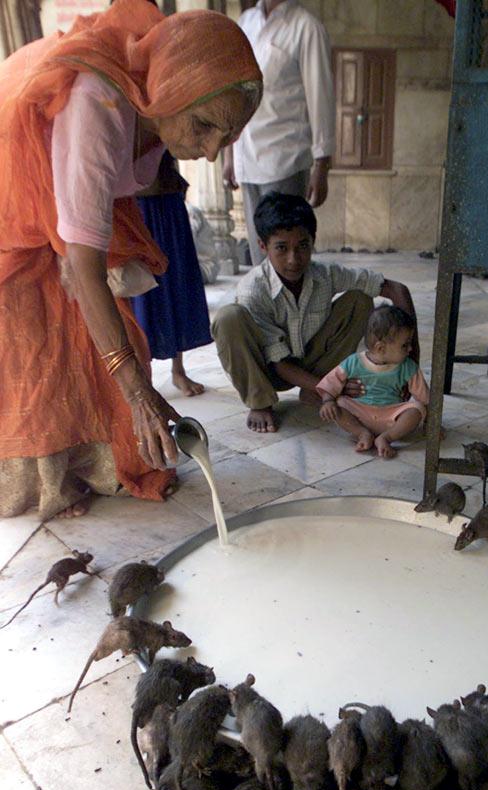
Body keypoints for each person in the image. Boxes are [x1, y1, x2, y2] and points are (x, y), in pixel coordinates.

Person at [0, 0, 262, 519]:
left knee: (89, 334)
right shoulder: (97, 109)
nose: (212, 152)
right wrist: (139, 394)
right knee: (32, 335)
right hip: (13, 195)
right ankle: (44, 482)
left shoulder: (149, 110)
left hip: (51, 206)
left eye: (227, 137)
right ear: (169, 91)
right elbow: (82, 268)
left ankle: (92, 465)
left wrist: (141, 389)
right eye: (205, 125)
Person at [210, 192, 418, 434]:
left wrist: (410, 361)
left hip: (312, 364)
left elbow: (397, 289)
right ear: (262, 246)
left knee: (359, 300)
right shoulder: (253, 290)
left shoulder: (324, 275)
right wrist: (331, 388)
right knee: (228, 318)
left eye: (302, 246)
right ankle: (260, 402)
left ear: (313, 240)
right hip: (268, 370)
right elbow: (279, 364)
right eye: (281, 248)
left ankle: (313, 390)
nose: (293, 259)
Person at [222, 0, 335, 265]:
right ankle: (264, 308)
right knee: (260, 255)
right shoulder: (246, 22)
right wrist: (228, 152)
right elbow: (232, 91)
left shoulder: (306, 27)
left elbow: (321, 98)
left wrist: (323, 163)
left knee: (288, 258)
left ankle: (294, 308)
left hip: (285, 160)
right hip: (246, 156)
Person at [132, 153, 213, 398]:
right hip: (136, 203)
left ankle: (178, 370)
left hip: (168, 198)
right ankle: (142, 378)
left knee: (175, 282)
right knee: (138, 291)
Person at [316, 306, 429, 460]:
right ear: (381, 348)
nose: (410, 349)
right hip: (359, 414)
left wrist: (432, 422)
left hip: (391, 416)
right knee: (339, 404)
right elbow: (330, 383)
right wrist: (327, 401)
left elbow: (425, 398)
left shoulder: (408, 367)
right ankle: (362, 433)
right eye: (405, 345)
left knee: (417, 410)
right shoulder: (353, 362)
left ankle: (386, 438)